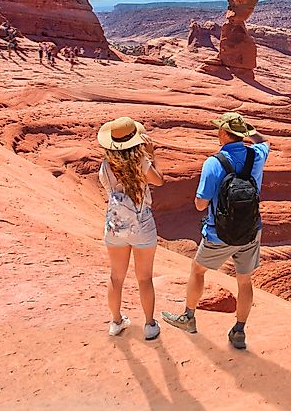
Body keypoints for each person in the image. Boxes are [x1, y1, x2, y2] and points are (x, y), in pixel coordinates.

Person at [162, 112, 270, 350]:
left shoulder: (214, 162)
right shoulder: (257, 155)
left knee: (197, 270)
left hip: (219, 233)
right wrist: (250, 131)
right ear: (242, 134)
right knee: (244, 281)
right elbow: (264, 141)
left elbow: (201, 203)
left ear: (222, 133)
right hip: (251, 229)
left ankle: (188, 317)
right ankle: (239, 332)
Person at [97, 116, 165, 340]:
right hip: (142, 225)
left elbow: (109, 189)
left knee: (116, 277)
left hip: (115, 227)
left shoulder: (106, 166)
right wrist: (152, 156)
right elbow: (159, 181)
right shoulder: (142, 163)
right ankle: (149, 325)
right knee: (144, 278)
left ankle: (116, 322)